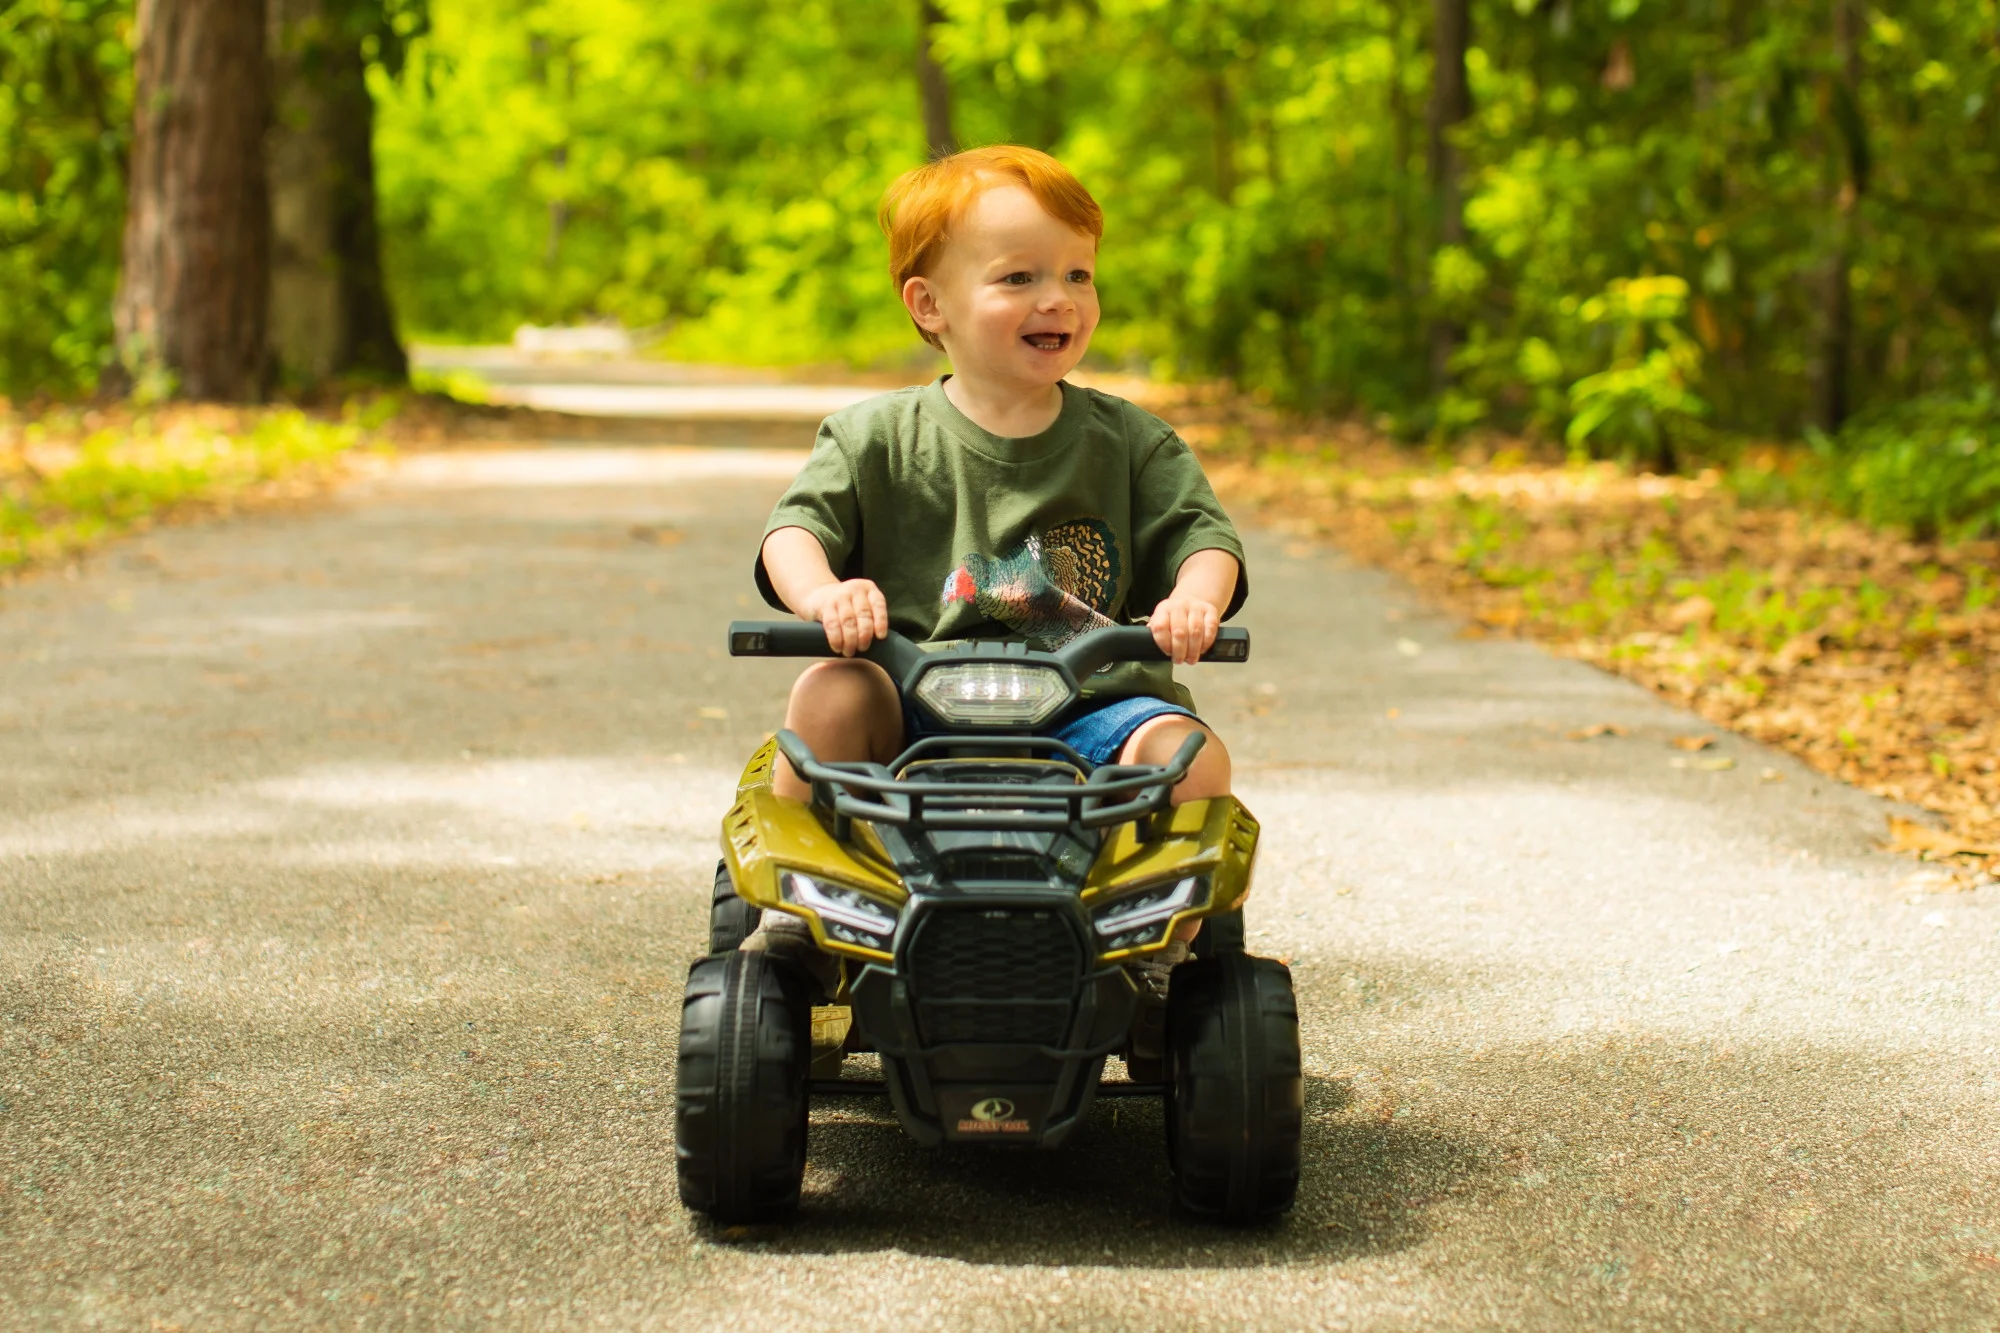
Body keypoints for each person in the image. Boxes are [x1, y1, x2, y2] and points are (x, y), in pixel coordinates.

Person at [745, 144, 1249, 990]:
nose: (1057, 298)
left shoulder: (1132, 442)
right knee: (830, 691)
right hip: (911, 704)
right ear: (929, 304)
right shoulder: (873, 438)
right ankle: (798, 912)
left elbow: (1205, 537)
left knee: (1190, 754)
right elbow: (792, 532)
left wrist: (1195, 600)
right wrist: (825, 593)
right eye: (1018, 278)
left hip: (1088, 711)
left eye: (1078, 275)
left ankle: (1162, 943)